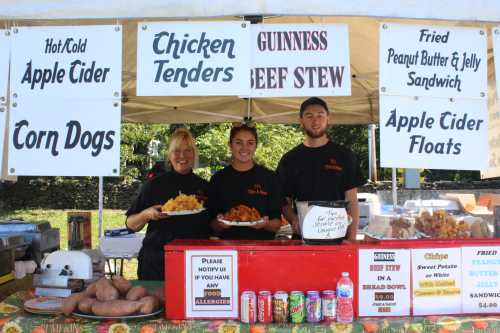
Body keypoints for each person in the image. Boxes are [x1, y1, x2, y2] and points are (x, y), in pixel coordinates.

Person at [276, 97, 366, 242]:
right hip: (303, 239)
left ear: (328, 118)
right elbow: (284, 201)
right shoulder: (289, 159)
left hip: (338, 239)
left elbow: (352, 200)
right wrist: (294, 220)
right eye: (309, 116)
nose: (315, 121)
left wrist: (352, 238)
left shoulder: (345, 156)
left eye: (320, 115)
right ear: (301, 121)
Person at [126, 128, 210, 280]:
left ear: (194, 154)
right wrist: (146, 214)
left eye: (188, 150)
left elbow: (213, 225)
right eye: (176, 151)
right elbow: (131, 225)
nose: (182, 156)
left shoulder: (205, 186)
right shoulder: (154, 185)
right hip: (157, 260)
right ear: (169, 155)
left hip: (195, 262)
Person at [209, 122, 284, 240]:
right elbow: (212, 225)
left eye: (250, 143)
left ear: (256, 146)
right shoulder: (218, 179)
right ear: (230, 145)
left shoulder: (270, 178)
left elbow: (277, 224)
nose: (244, 148)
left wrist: (265, 224)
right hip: (228, 250)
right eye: (238, 142)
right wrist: (220, 224)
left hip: (262, 249)